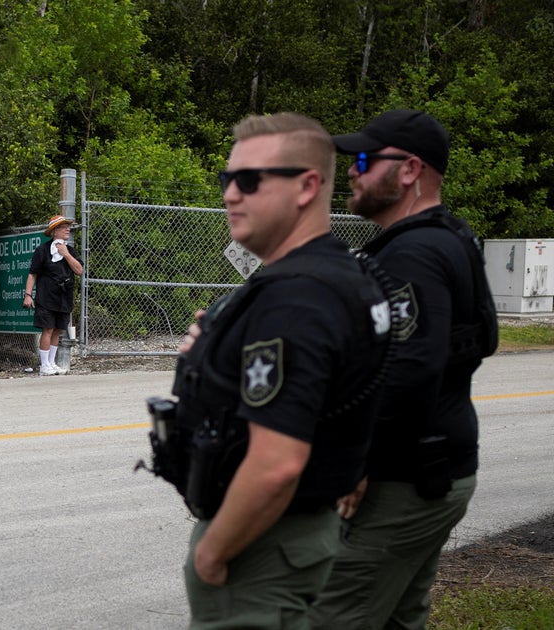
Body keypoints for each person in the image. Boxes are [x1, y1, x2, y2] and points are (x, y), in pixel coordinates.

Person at [165, 113, 390, 628]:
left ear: (308, 186)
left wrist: (212, 554)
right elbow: (347, 395)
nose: (229, 195)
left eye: (248, 180)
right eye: (226, 180)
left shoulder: (299, 298)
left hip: (265, 544)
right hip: (298, 532)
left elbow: (277, 465)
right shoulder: (343, 273)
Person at [312, 110, 498, 629]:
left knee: (329, 616)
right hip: (437, 466)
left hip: (403, 481)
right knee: (399, 617)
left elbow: (408, 373)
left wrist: (354, 464)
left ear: (411, 170)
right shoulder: (447, 238)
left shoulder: (412, 255)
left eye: (366, 160)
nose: (352, 170)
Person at [23, 215, 83, 376]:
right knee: (48, 329)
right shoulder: (42, 250)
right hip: (46, 297)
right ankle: (44, 365)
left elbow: (79, 270)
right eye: (64, 227)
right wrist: (28, 294)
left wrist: (66, 254)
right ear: (54, 231)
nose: (67, 229)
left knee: (57, 330)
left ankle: (52, 363)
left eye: (68, 226)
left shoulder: (69, 250)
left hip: (64, 298)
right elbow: (32, 274)